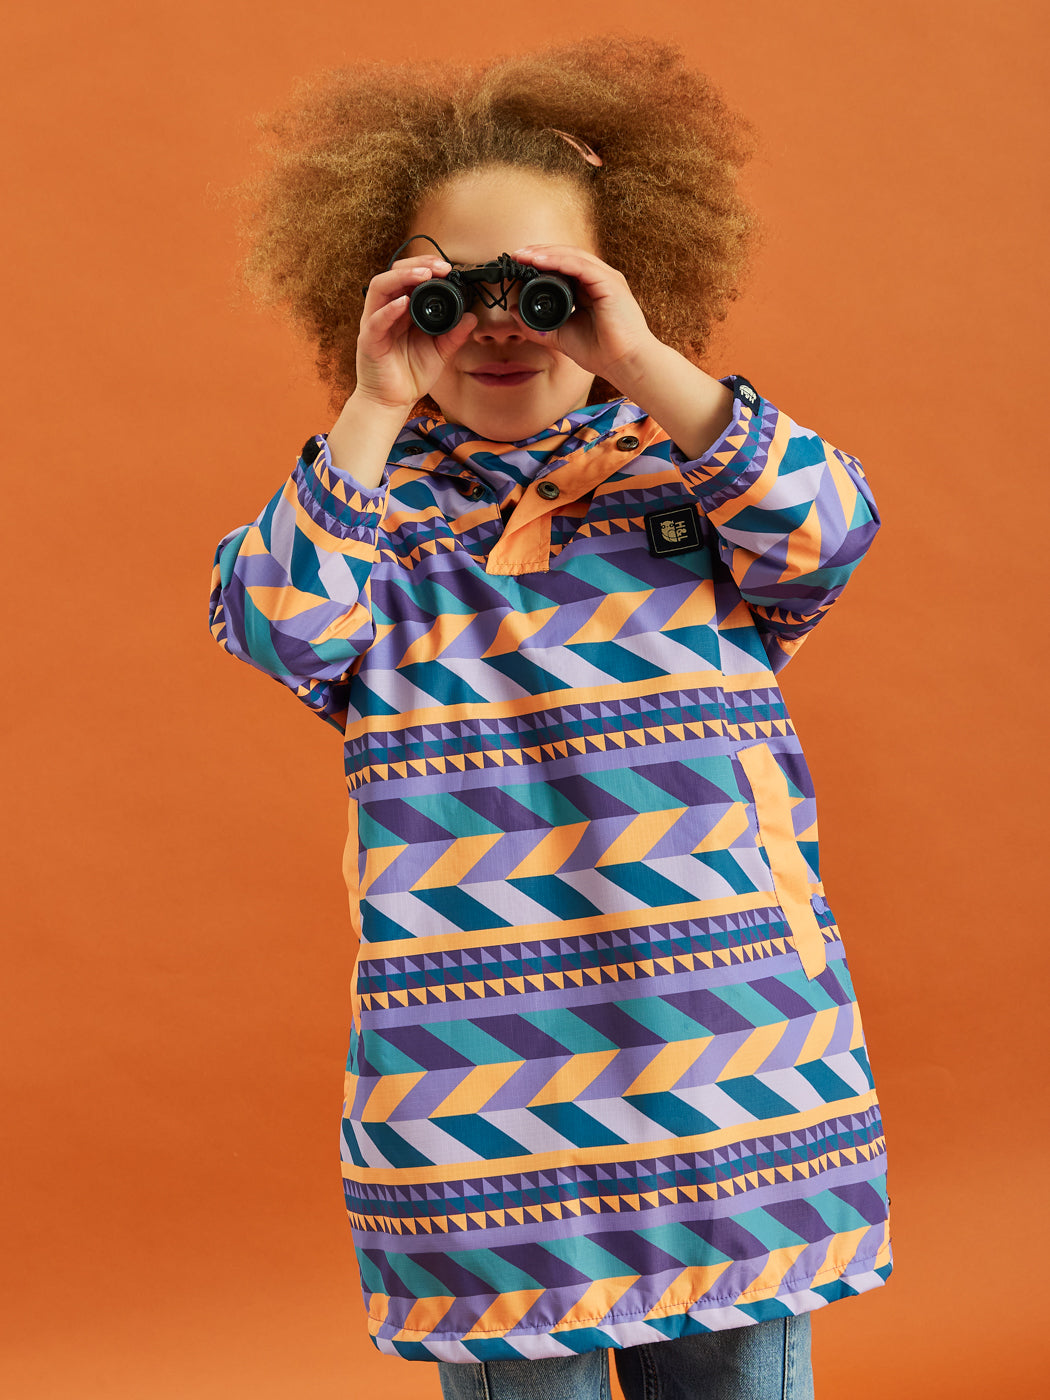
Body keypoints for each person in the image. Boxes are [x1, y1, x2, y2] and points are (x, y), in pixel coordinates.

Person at [209, 36, 892, 1400]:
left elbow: (829, 530)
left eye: (545, 290)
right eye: (451, 293)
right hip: (481, 1120)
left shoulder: (694, 478)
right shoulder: (371, 514)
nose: (501, 326)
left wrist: (638, 357)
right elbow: (277, 623)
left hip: (732, 1082)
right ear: (382, 299)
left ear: (625, 284)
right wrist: (373, 403)